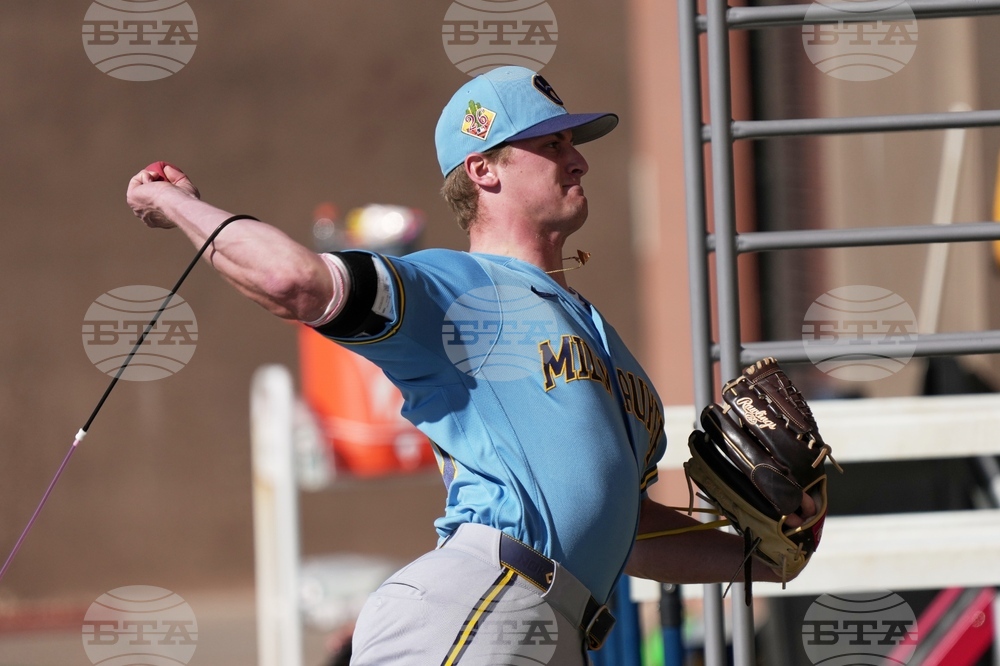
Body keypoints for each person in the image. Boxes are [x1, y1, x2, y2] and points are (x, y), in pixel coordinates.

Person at [126, 66, 798, 665]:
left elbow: (629, 532)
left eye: (574, 144)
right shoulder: (458, 289)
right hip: (481, 604)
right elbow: (293, 282)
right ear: (484, 169)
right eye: (553, 144)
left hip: (553, 628)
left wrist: (764, 555)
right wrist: (177, 203)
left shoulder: (607, 344)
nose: (579, 162)